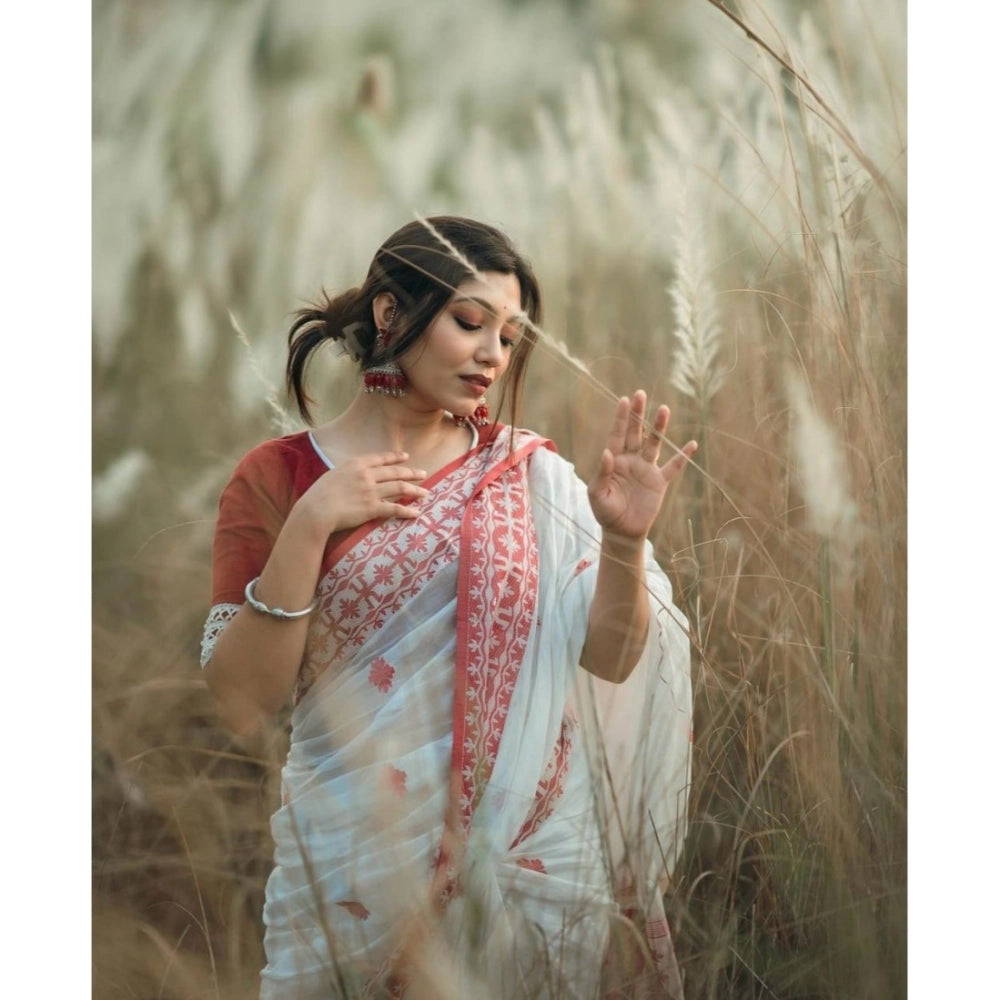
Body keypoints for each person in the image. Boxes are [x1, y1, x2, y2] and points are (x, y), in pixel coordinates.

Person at [201, 216, 696, 1000]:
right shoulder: (279, 476)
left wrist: (625, 543)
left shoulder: (528, 479)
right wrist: (312, 523)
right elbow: (241, 698)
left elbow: (612, 657)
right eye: (470, 322)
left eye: (509, 336)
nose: (493, 354)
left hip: (526, 870)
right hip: (355, 869)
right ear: (390, 313)